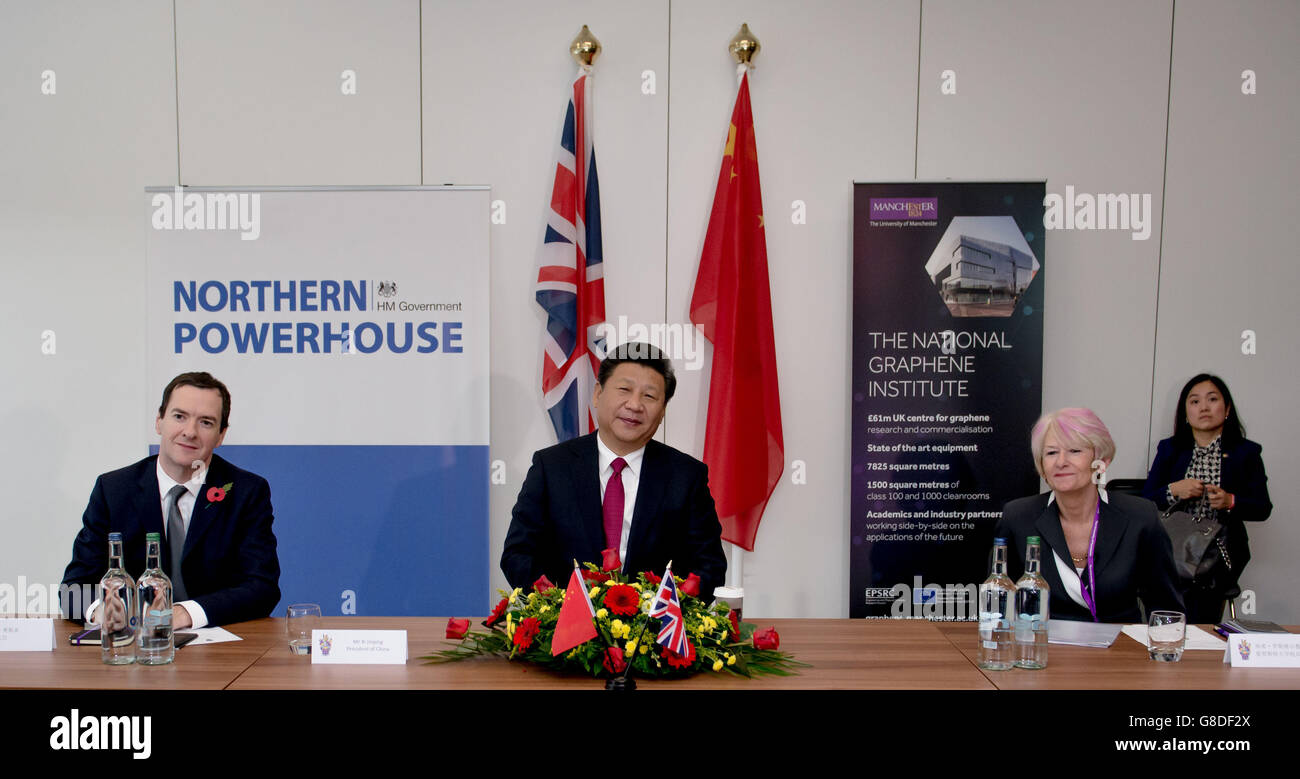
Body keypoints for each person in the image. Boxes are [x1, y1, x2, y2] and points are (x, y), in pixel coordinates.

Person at [502, 343, 727, 601]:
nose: (634, 405)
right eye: (624, 390)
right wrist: (562, 607)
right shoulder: (551, 467)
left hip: (652, 632)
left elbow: (709, 567)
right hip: (566, 628)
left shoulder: (686, 476)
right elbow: (517, 555)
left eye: (650, 396)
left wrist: (657, 613)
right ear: (598, 394)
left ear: (663, 410)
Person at [62, 372, 280, 628]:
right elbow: (73, 589)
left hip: (217, 649)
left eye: (206, 423)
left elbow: (261, 587)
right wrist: (103, 612)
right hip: (133, 648)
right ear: (159, 422)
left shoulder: (246, 492)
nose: (190, 432)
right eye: (179, 417)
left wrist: (185, 614)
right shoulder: (113, 490)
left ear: (221, 435)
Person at [995, 408, 1183, 623]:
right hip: (1043, 649)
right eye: (1051, 453)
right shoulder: (1018, 517)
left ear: (1101, 460)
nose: (1061, 461)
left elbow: (1166, 608)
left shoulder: (1140, 516)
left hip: (1120, 650)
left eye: (1075, 450)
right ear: (1042, 466)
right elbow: (998, 605)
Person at [1143, 373, 1271, 623]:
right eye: (1194, 401)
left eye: (1212, 399)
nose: (1203, 407)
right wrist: (1174, 490)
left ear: (1227, 409)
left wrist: (1230, 501)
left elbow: (1262, 508)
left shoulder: (1246, 452)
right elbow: (1146, 499)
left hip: (1219, 552)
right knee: (1162, 589)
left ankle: (1200, 651)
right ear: (1185, 413)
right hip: (1172, 546)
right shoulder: (1170, 449)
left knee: (1202, 606)